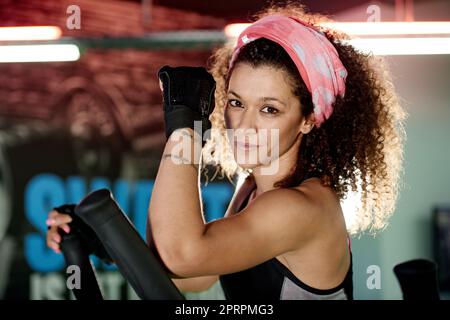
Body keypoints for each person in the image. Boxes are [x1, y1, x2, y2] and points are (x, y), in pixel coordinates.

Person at [46, 3, 406, 300]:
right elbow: (191, 276)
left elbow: (185, 255)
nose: (245, 125)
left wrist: (184, 131)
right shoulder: (252, 188)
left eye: (269, 109)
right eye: (236, 102)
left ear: (308, 119)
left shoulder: (300, 206)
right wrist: (103, 241)